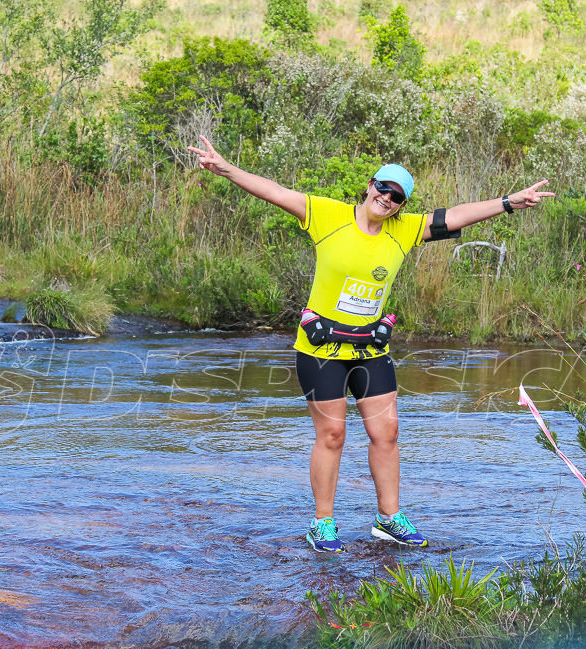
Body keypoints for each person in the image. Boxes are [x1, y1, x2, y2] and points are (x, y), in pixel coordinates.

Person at [188, 135, 554, 552]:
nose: (387, 198)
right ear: (369, 185)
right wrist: (225, 168)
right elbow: (274, 191)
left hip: (369, 351)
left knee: (388, 432)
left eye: (397, 196)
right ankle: (323, 524)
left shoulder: (406, 230)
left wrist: (508, 202)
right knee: (332, 436)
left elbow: (456, 216)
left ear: (401, 204)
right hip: (320, 351)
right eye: (383, 188)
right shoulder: (327, 215)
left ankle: (388, 518)